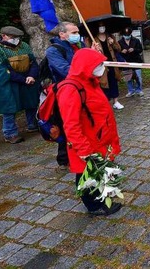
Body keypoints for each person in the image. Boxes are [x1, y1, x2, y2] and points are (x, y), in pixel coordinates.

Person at [57, 48, 122, 216]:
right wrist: (83, 149)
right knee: (86, 174)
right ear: (85, 66)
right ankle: (93, 206)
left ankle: (102, 197)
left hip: (99, 139)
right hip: (87, 143)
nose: (102, 67)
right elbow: (70, 124)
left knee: (98, 171)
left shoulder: (90, 81)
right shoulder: (71, 88)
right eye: (97, 64)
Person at [46, 21, 84, 168]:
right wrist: (85, 68)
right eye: (73, 33)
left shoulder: (78, 47)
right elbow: (66, 70)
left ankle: (80, 151)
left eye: (77, 32)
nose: (77, 35)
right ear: (62, 34)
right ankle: (64, 159)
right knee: (66, 125)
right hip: (64, 93)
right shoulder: (54, 51)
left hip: (80, 91)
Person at [0, 26, 40, 144]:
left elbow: (33, 63)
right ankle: (10, 133)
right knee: (10, 107)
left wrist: (31, 76)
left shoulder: (24, 46)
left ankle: (33, 124)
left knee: (31, 102)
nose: (16, 39)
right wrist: (22, 79)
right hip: (9, 81)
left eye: (17, 37)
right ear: (4, 36)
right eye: (13, 37)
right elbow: (2, 69)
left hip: (27, 78)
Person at [90, 23, 124, 110]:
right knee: (104, 83)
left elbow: (119, 49)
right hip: (101, 65)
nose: (102, 28)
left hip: (112, 63)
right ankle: (106, 102)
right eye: (100, 26)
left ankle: (116, 101)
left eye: (103, 26)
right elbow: (89, 52)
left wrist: (113, 43)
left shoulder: (110, 36)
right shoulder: (92, 39)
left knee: (113, 82)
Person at [118, 27, 144, 97]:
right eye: (125, 34)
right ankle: (131, 90)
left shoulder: (136, 40)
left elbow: (140, 49)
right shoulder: (119, 42)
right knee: (128, 77)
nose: (127, 36)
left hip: (136, 61)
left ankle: (139, 90)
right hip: (126, 62)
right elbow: (117, 52)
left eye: (128, 34)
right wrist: (121, 51)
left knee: (138, 77)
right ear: (123, 34)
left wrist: (134, 49)